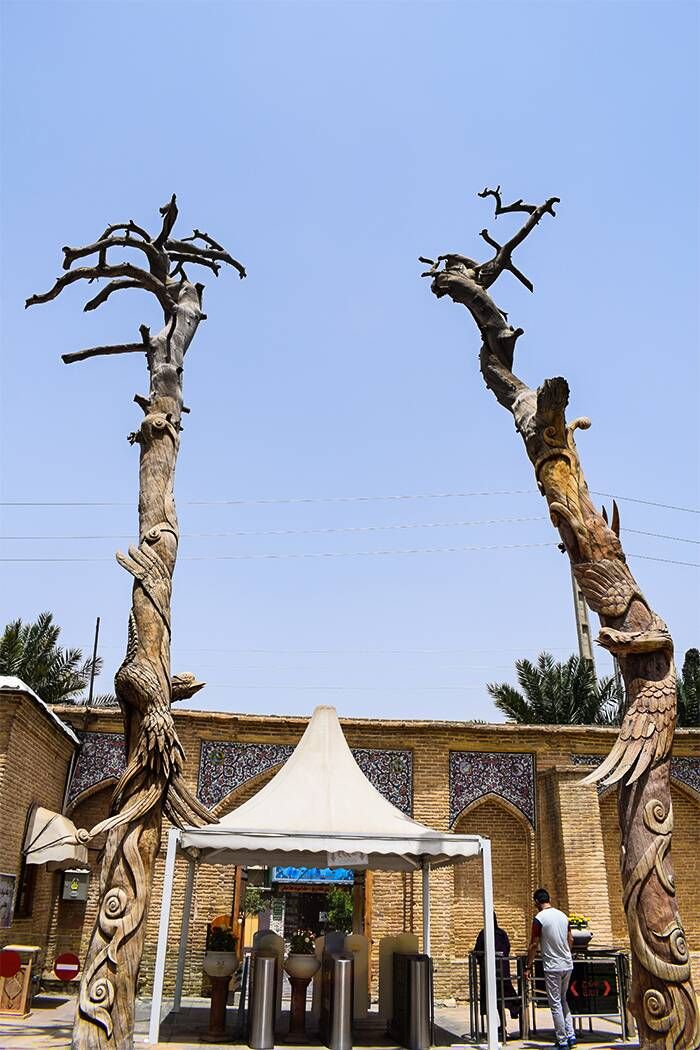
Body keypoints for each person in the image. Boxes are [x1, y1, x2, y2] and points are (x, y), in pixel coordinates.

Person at [525, 888, 576, 1050]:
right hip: (567, 964)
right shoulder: (563, 916)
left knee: (555, 1003)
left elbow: (534, 944)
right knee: (563, 999)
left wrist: (528, 965)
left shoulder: (539, 919)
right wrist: (566, 953)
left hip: (553, 966)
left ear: (536, 902)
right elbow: (571, 938)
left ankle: (562, 1040)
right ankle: (571, 1035)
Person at [474, 913, 522, 1039]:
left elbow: (478, 950)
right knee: (502, 997)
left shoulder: (484, 934)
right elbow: (507, 948)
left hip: (488, 972)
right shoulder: (502, 933)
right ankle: (507, 1020)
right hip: (502, 971)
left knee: (493, 999)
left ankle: (499, 1025)